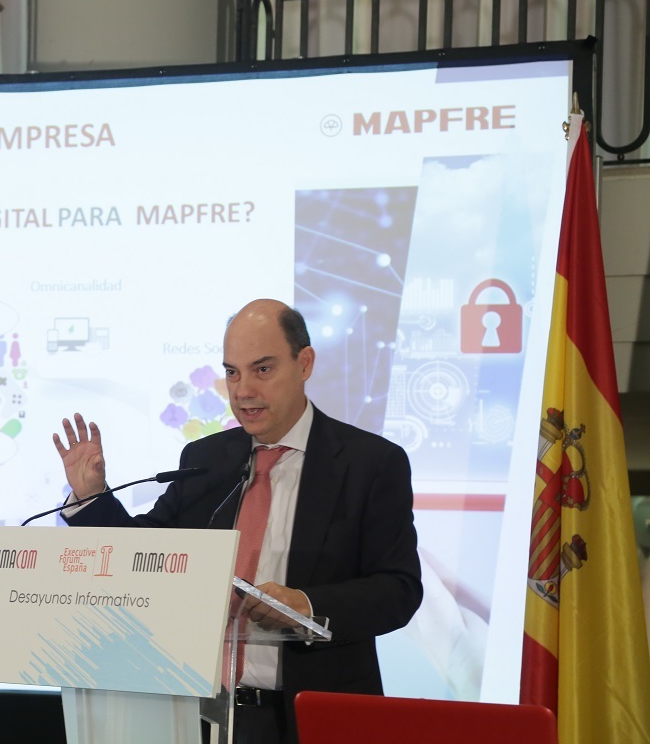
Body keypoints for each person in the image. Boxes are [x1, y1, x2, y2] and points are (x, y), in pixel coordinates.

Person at [53, 299, 423, 744]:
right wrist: (92, 496)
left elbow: (398, 589)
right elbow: (146, 554)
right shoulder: (206, 458)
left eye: (262, 369)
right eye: (232, 372)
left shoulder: (369, 463)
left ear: (304, 363)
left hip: (309, 719)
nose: (243, 390)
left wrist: (305, 605)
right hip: (201, 717)